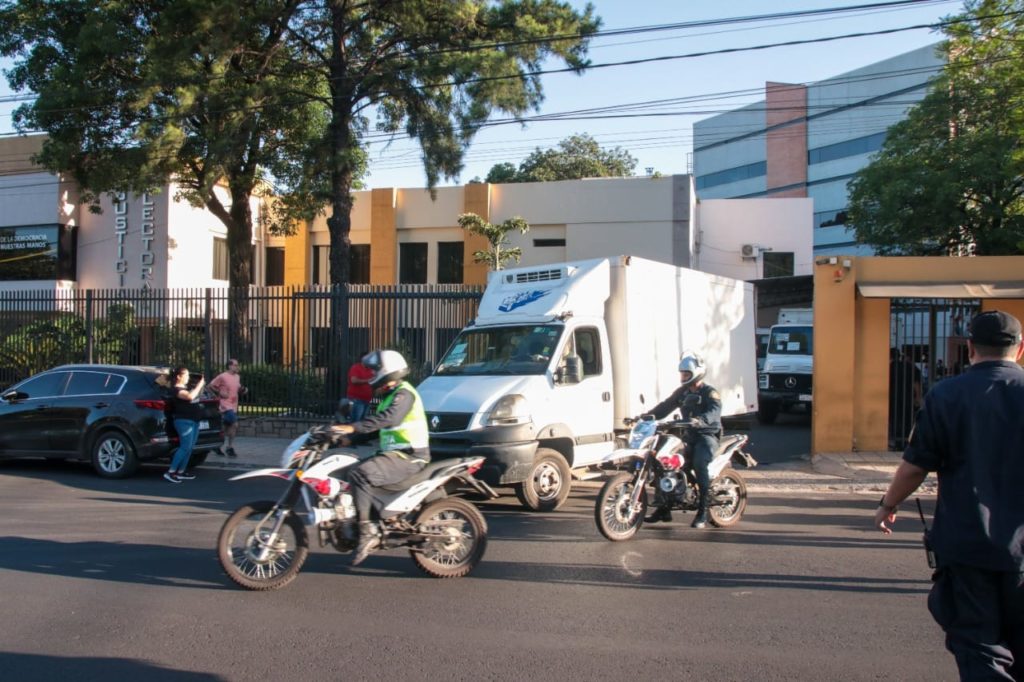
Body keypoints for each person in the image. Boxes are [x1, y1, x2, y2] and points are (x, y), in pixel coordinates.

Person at [874, 310, 1024, 680]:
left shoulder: (945, 394)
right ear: (1020, 350)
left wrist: (888, 504)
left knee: (979, 646)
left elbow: (915, 466)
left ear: (970, 347)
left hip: (968, 544)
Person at [329, 349, 430, 565]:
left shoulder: (404, 393)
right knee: (347, 472)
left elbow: (388, 419)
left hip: (410, 457)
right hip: (394, 455)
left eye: (374, 370)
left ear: (387, 370)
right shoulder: (390, 396)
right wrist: (347, 440)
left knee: (360, 474)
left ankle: (368, 532)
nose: (371, 374)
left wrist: (351, 427)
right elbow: (378, 429)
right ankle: (362, 520)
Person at [646, 351, 722, 529]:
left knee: (698, 463)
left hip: (707, 436)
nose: (684, 377)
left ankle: (703, 511)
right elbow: (665, 406)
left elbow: (714, 411)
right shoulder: (682, 392)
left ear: (697, 372)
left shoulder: (710, 393)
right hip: (688, 435)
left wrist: (700, 420)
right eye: (682, 373)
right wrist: (646, 416)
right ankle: (663, 508)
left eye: (687, 374)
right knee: (663, 462)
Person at [165, 366, 206, 483]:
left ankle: (181, 471)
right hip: (183, 421)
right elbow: (190, 397)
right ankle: (171, 472)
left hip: (194, 421)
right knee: (185, 447)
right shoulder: (176, 390)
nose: (188, 377)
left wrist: (199, 387)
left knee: (190, 448)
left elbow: (195, 396)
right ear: (179, 376)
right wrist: (200, 384)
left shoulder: (187, 388)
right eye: (186, 375)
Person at [208, 358, 245, 457]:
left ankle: (216, 445)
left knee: (226, 426)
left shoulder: (237, 377)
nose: (237, 367)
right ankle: (229, 447)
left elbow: (237, 388)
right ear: (229, 366)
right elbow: (210, 386)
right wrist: (219, 393)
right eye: (235, 365)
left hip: (234, 404)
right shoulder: (222, 376)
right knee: (234, 424)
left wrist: (243, 390)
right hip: (225, 404)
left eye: (237, 365)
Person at [345, 351, 374, 423]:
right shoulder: (355, 367)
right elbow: (354, 380)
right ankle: (353, 434)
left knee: (362, 421)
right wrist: (368, 380)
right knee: (356, 421)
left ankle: (359, 434)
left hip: (367, 399)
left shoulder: (371, 369)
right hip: (356, 399)